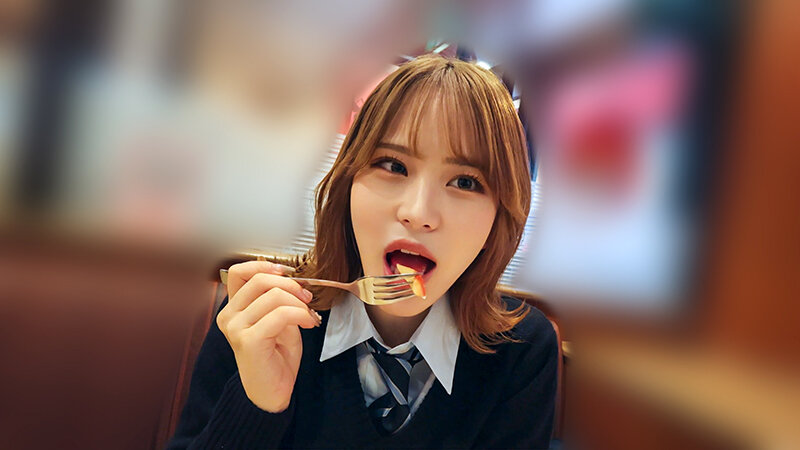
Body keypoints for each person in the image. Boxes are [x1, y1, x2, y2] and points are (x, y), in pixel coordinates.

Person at [167, 54, 558, 449]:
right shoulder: (266, 319)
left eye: (465, 182)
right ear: (348, 183)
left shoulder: (520, 351)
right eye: (393, 165)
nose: (418, 213)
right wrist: (258, 405)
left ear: (498, 218)